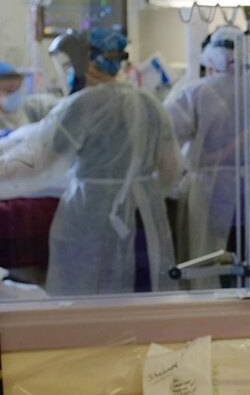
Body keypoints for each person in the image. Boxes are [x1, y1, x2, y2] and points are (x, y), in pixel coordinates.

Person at [0, 27, 182, 295]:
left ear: (85, 63)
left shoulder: (82, 105)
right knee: (141, 298)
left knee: (90, 301)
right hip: (145, 217)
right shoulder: (151, 103)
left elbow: (36, 162)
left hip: (92, 218)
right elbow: (171, 170)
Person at [163, 25, 250, 288]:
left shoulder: (194, 93)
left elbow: (164, 137)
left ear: (209, 59)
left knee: (206, 261)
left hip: (208, 190)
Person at [0, 61, 59, 134]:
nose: (14, 94)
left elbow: (62, 107)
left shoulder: (32, 105)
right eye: (9, 90)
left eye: (17, 88)